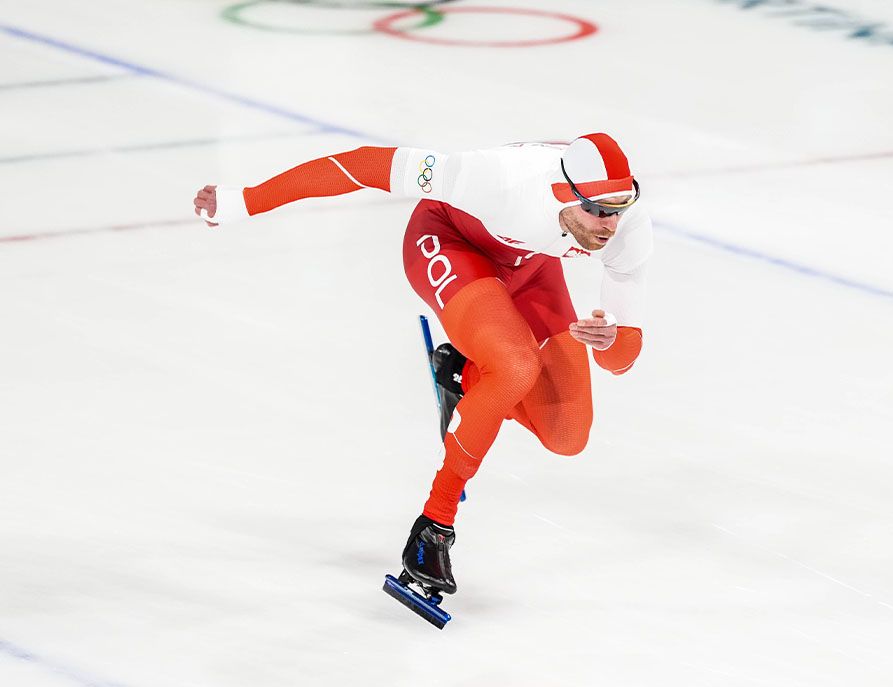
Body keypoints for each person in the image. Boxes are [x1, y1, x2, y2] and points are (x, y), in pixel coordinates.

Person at [192, 133, 651, 597]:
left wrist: (609, 342)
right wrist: (243, 201)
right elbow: (360, 166)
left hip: (530, 263)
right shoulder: (496, 179)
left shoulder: (627, 227)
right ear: (563, 192)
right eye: (595, 210)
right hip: (450, 242)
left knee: (567, 434)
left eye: (617, 209)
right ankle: (433, 528)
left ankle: (464, 374)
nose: (608, 224)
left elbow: (620, 360)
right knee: (514, 367)